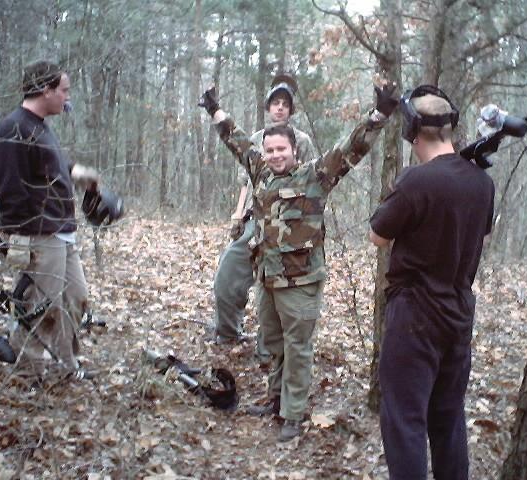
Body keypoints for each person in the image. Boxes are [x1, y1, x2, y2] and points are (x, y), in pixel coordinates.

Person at [199, 82, 398, 441]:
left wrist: (379, 114)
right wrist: (215, 110)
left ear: (294, 149)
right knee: (274, 345)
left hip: (301, 283)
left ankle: (293, 414)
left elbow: (352, 147)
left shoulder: (315, 176)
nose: (275, 155)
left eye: (281, 149)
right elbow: (235, 139)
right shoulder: (260, 172)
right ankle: (276, 400)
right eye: (270, 150)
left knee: (298, 349)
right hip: (268, 279)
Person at [369, 85, 495, 479]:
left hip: (415, 317)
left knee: (405, 422)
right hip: (458, 316)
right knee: (448, 420)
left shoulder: (416, 181)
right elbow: (481, 233)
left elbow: (377, 235)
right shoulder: (482, 183)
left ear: (412, 131)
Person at [0, 60, 99, 380]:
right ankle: (29, 374)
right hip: (38, 234)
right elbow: (8, 187)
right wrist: (18, 240)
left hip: (61, 232)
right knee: (40, 307)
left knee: (76, 298)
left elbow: (48, 166)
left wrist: (77, 174)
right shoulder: (13, 129)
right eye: (64, 90)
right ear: (45, 90)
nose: (67, 97)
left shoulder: (40, 126)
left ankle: (65, 365)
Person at [212, 74, 316, 354]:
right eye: (275, 103)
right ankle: (228, 333)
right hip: (253, 221)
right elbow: (246, 181)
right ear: (268, 107)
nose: (280, 108)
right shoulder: (257, 139)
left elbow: (311, 183)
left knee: (275, 290)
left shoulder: (302, 141)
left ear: (291, 110)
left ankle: (269, 351)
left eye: (285, 104)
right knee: (227, 278)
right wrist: (238, 215)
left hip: (287, 226)